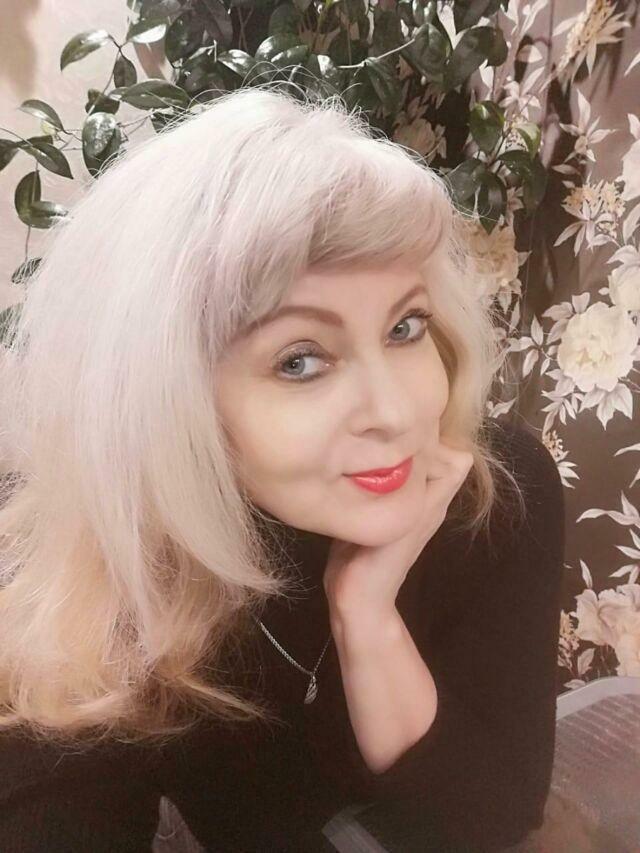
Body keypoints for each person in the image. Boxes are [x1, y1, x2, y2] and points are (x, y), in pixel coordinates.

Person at [0, 83, 565, 852]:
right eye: (301, 360)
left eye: (405, 326)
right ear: (173, 402)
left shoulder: (496, 492)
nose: (396, 412)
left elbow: (494, 815)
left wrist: (366, 618)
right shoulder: (111, 563)